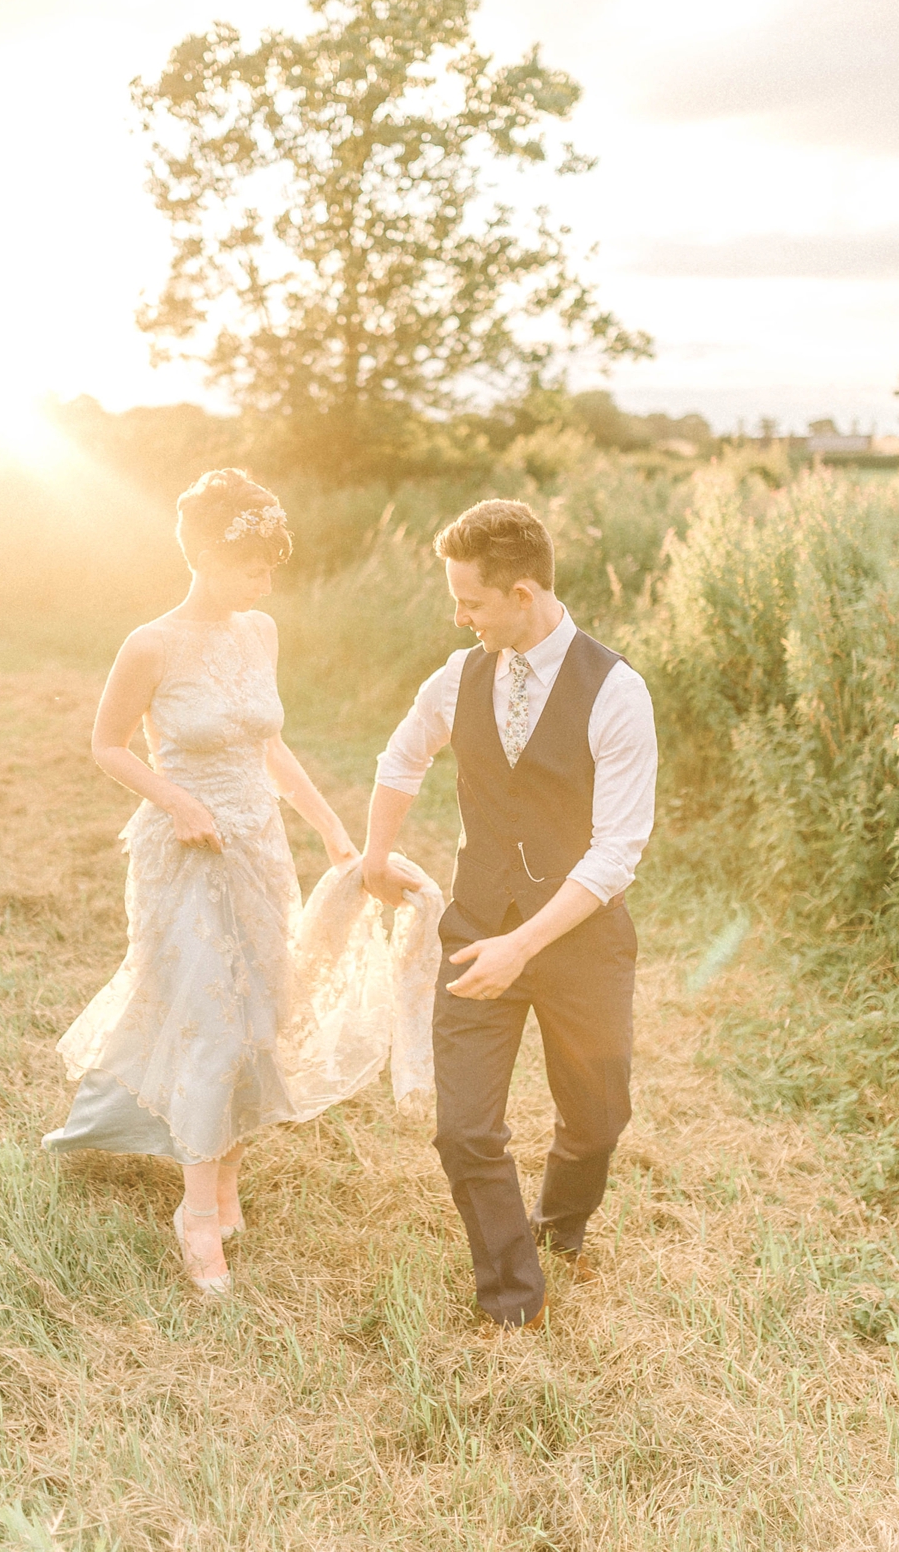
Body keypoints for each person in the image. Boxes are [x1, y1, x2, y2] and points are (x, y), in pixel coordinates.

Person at [43, 469, 362, 1297]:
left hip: (257, 846)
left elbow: (271, 745)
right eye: (250, 566)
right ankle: (193, 1210)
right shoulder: (150, 644)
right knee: (207, 1022)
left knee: (260, 1013)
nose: (264, 581)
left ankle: (224, 1180)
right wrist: (176, 799)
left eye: (270, 567)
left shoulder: (261, 632)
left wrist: (328, 827)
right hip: (183, 856)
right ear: (201, 555)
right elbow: (108, 745)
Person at [362, 499, 657, 1330]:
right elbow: (401, 754)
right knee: (463, 1131)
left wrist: (521, 948)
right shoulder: (457, 677)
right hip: (476, 928)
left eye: (472, 602)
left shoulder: (618, 692)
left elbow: (615, 854)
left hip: (581, 943)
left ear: (524, 593)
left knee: (598, 1122)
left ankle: (562, 1228)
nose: (459, 617)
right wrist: (377, 854)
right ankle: (513, 1296)